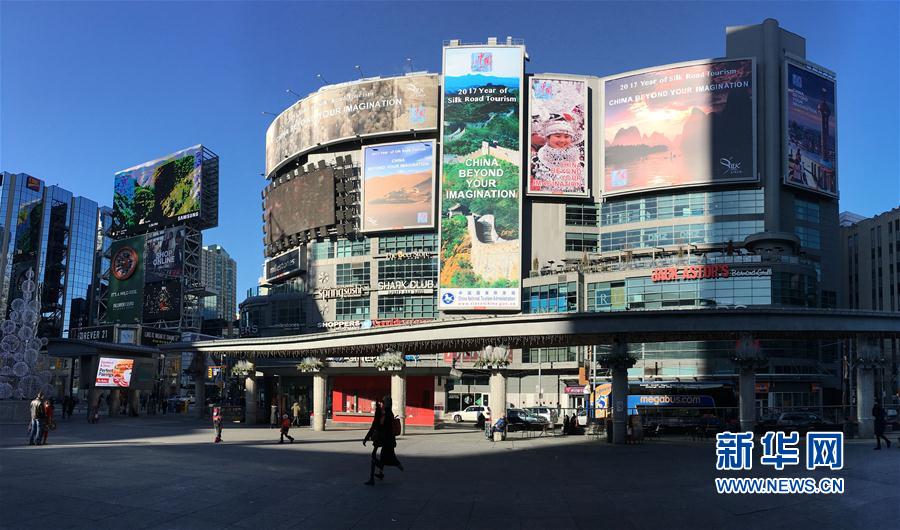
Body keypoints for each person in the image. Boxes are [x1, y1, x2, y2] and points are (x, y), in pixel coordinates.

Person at [363, 397, 403, 485]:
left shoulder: (384, 413)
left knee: (378, 457)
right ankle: (380, 474)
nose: (383, 404)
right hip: (388, 440)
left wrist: (367, 437)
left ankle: (372, 478)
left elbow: (375, 426)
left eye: (384, 402)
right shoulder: (389, 412)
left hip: (383, 439)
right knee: (384, 456)